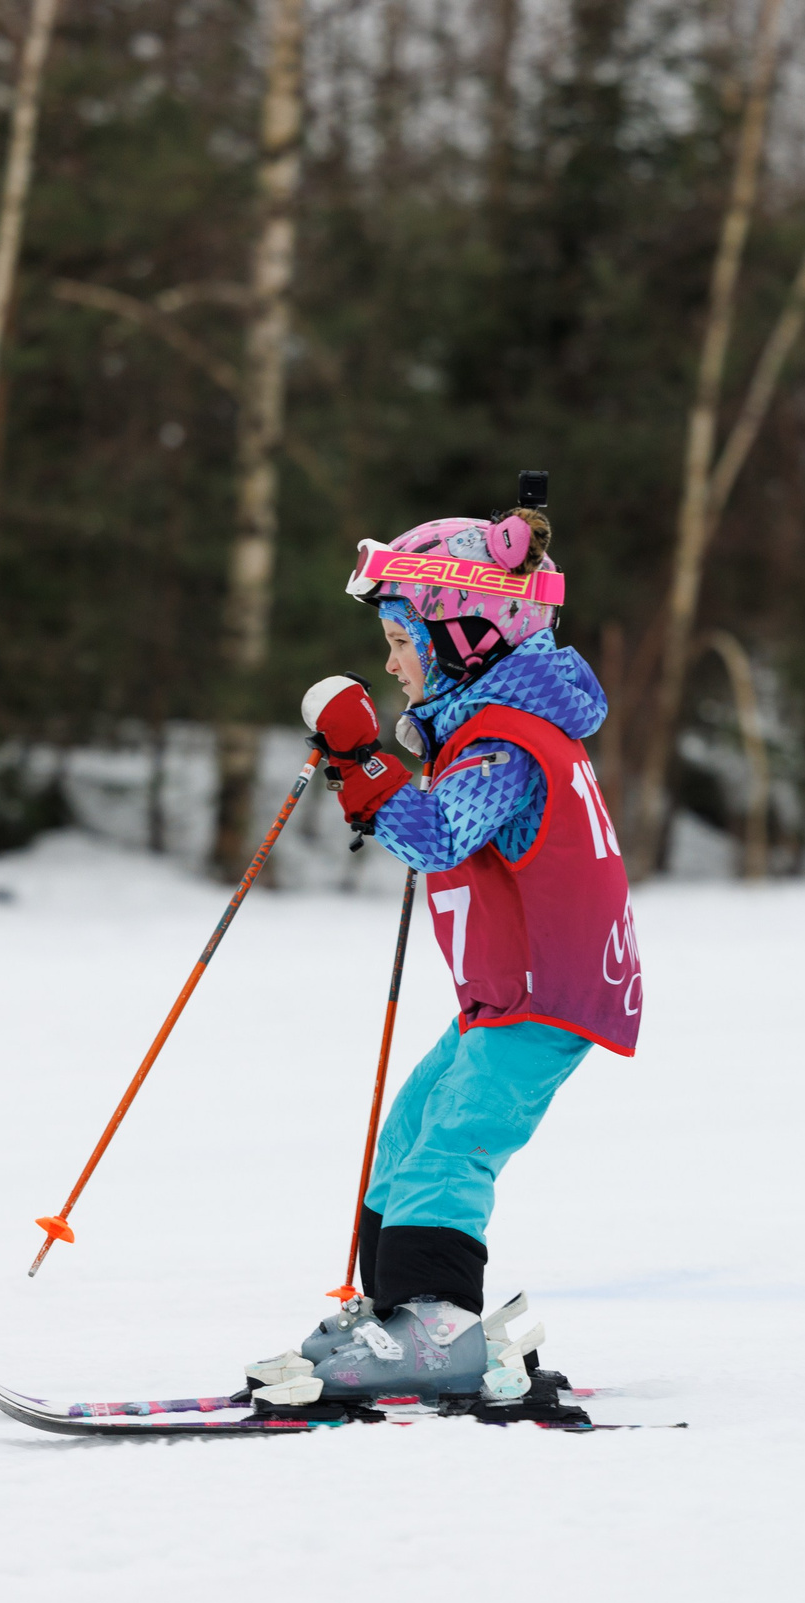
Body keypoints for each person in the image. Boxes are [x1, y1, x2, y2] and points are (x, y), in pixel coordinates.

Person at [245, 486, 642, 1404]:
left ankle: (438, 1323)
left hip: (547, 994)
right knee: (413, 1131)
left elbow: (435, 836)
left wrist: (360, 760)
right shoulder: (483, 726)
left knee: (451, 1148)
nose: (390, 666)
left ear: (465, 638)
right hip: (508, 994)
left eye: (399, 643)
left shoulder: (509, 740)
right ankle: (395, 1317)